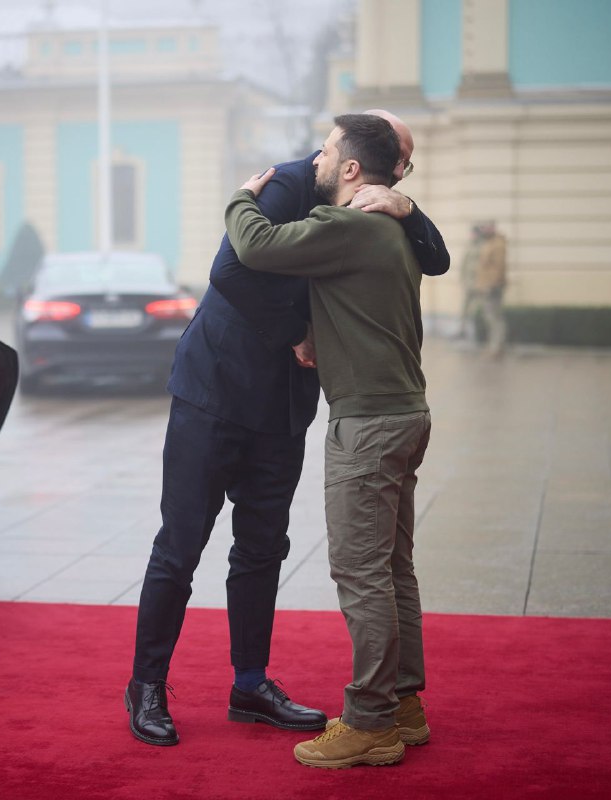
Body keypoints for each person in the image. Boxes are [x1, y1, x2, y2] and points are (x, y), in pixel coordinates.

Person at [125, 110, 449, 747]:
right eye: (396, 163)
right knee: (181, 545)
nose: (398, 175)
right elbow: (230, 269)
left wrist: (408, 207)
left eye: (405, 168)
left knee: (262, 547)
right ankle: (147, 684)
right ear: (357, 157)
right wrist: (296, 332)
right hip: (214, 391)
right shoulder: (290, 184)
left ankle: (250, 685)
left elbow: (435, 259)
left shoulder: (379, 202)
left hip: (283, 404)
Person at [225, 113, 432, 769]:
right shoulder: (390, 227)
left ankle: (370, 722)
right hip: (404, 412)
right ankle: (404, 705)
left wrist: (240, 196)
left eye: (326, 149)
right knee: (392, 568)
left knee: (361, 572)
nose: (315, 158)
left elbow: (255, 247)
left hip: (367, 423)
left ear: (349, 168)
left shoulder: (348, 225)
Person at [458, 220, 508, 355]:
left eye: (487, 228)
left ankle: (496, 346)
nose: (484, 231)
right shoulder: (488, 243)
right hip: (483, 285)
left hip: (491, 286)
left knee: (493, 317)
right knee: (488, 316)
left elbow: (497, 268)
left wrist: (490, 285)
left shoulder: (496, 244)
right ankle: (493, 345)